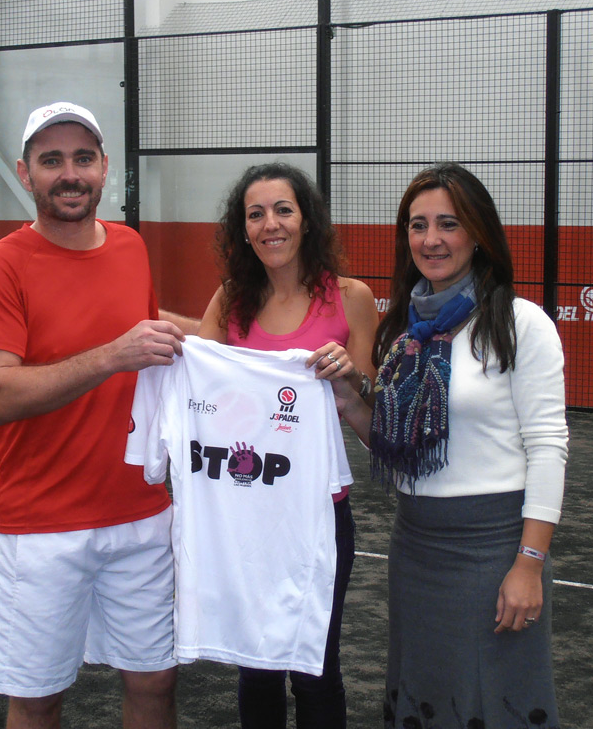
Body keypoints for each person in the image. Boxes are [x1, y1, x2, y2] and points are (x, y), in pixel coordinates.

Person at [0, 101, 192, 729]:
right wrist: (113, 356)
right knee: (37, 699)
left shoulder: (130, 246)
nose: (70, 174)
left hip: (142, 514)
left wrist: (256, 346)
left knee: (156, 683)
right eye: (51, 160)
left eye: (83, 159)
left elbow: (149, 328)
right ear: (24, 172)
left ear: (105, 168)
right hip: (41, 525)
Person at [333, 162, 568, 728]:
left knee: (496, 698)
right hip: (415, 545)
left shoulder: (521, 324)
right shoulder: (407, 331)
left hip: (494, 550)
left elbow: (548, 448)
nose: (431, 239)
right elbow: (395, 446)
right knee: (425, 693)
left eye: (447, 224)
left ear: (478, 233)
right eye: (417, 225)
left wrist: (528, 565)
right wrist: (349, 402)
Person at [197, 162, 380, 729]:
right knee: (255, 666)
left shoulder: (351, 299)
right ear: (243, 228)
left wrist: (349, 382)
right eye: (255, 214)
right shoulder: (229, 301)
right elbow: (199, 387)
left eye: (283, 210)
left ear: (307, 220)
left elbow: (375, 427)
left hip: (318, 515)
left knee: (316, 667)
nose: (269, 224)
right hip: (246, 510)